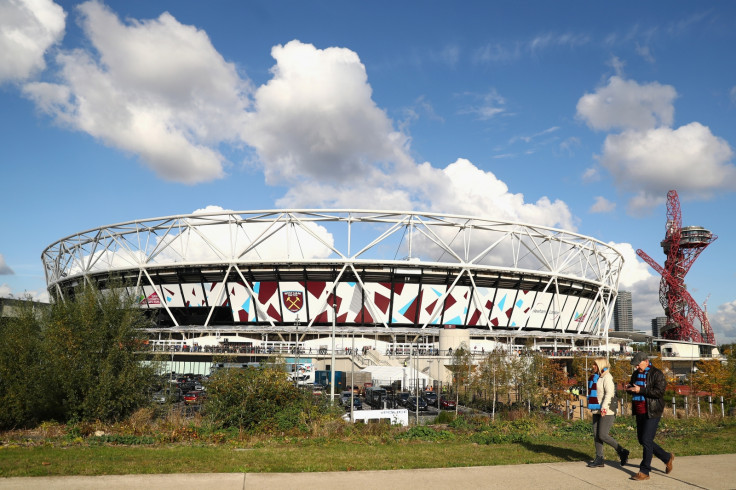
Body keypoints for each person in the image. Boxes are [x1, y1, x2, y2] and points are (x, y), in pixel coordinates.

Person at [625, 352, 675, 481]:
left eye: (638, 364)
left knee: (646, 440)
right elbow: (634, 387)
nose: (636, 367)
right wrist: (629, 388)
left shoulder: (656, 374)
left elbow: (659, 392)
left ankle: (644, 471)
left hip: (652, 411)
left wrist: (640, 390)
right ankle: (666, 457)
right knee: (643, 440)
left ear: (646, 361)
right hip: (639, 410)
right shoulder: (636, 373)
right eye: (635, 365)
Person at [586, 357, 629, 468]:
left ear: (600, 365)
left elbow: (609, 394)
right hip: (597, 409)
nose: (593, 366)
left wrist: (604, 408)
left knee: (603, 435)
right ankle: (599, 458)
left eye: (595, 365)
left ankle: (622, 451)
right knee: (596, 435)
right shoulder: (596, 377)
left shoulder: (607, 377)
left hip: (607, 410)